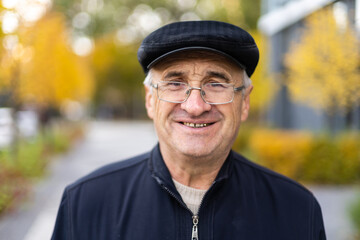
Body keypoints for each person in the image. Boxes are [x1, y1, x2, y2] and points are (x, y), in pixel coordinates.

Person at [51, 21, 326, 240]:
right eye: (175, 83)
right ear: (150, 99)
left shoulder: (297, 211)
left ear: (245, 102)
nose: (195, 106)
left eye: (216, 84)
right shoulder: (85, 204)